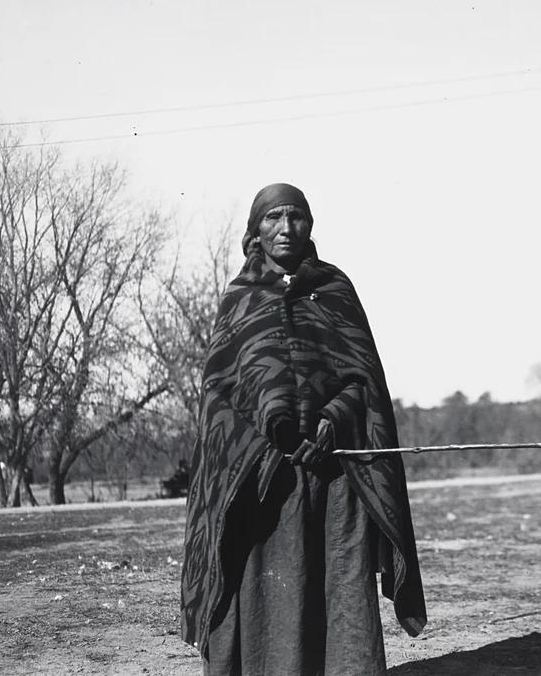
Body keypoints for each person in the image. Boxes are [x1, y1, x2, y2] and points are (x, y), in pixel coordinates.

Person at [180, 183, 427, 675]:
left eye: (296, 217)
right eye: (273, 218)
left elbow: (365, 381)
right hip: (263, 479)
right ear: (255, 231)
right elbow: (219, 393)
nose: (285, 228)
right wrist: (272, 431)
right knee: (264, 589)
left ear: (310, 227)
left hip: (336, 478)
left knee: (337, 583)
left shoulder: (336, 289)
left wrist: (333, 422)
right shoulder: (240, 300)